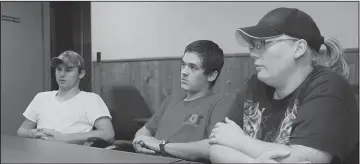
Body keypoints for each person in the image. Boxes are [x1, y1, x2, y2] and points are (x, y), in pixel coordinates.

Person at [209, 7, 358, 163]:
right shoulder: (255, 85)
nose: (252, 53)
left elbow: (305, 159)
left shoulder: (329, 87)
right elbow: (216, 147)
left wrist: (239, 141)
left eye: (263, 43)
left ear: (298, 48)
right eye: (253, 45)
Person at [132, 40, 233, 162]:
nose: (184, 72)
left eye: (193, 67)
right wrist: (139, 141)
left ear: (212, 75)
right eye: (183, 65)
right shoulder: (172, 99)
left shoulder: (220, 103)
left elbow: (213, 148)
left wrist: (162, 146)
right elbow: (144, 131)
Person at [17, 50, 115, 145]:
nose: (62, 74)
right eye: (59, 69)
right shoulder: (41, 98)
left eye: (68, 70)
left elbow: (108, 134)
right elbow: (21, 131)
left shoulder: (91, 100)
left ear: (81, 74)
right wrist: (33, 134)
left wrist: (65, 138)